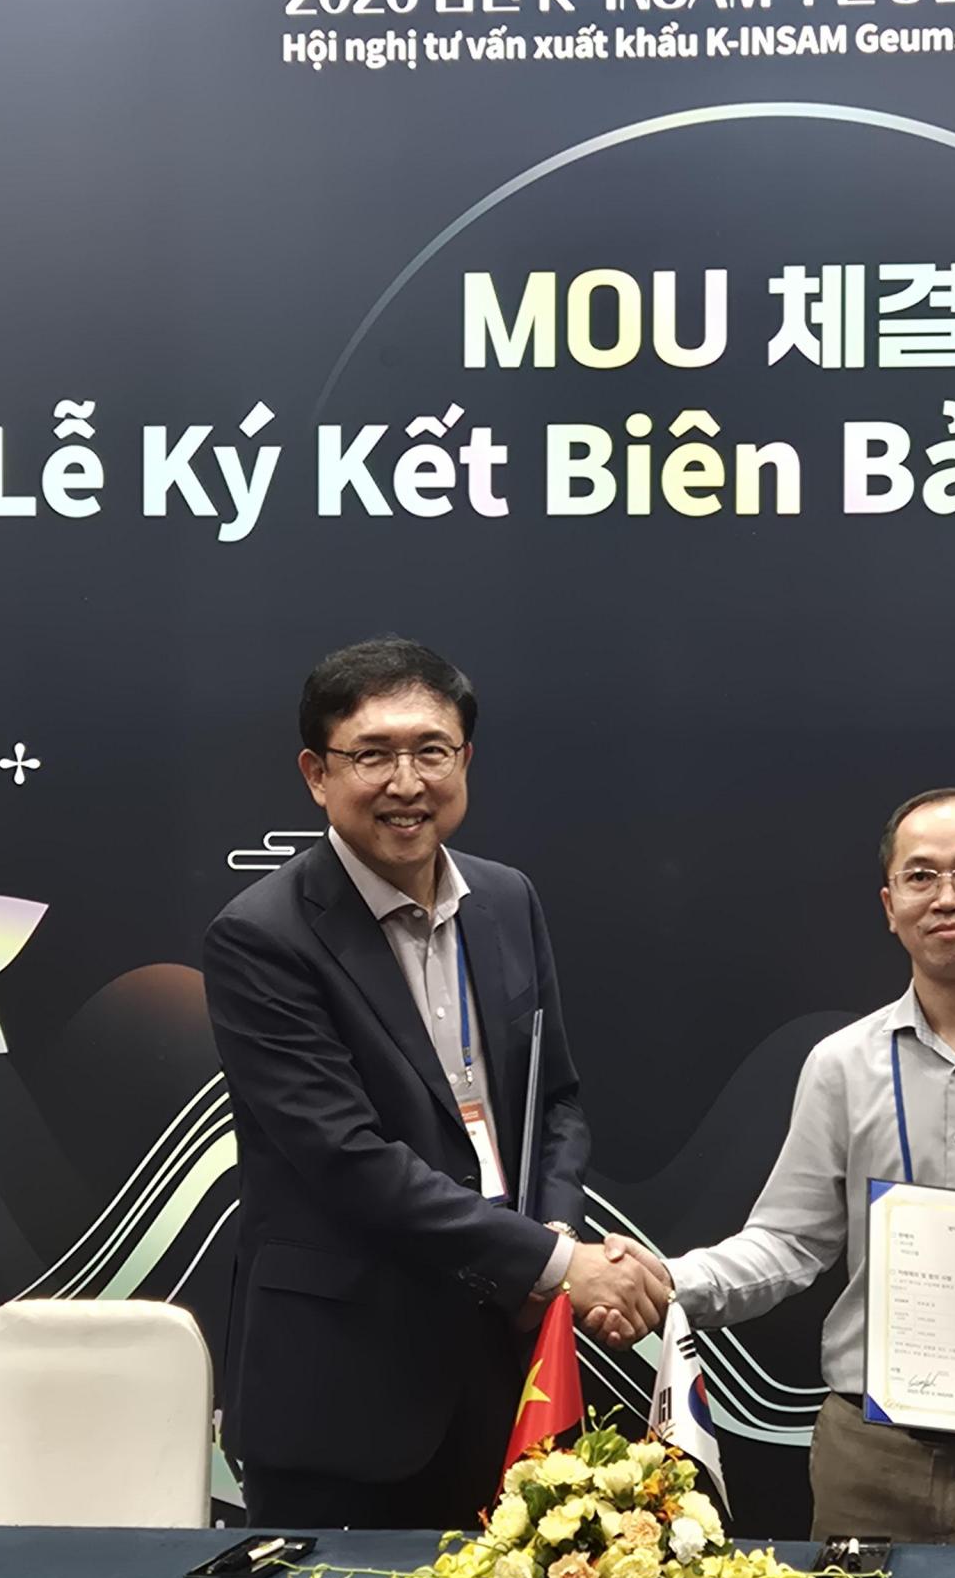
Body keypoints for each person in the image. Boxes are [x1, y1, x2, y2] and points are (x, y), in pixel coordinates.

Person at [203, 637, 669, 1530]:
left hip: (505, 1371)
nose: (406, 782)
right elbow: (347, 1161)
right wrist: (557, 1267)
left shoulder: (507, 900)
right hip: (345, 1397)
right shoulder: (262, 937)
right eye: (372, 755)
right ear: (316, 774)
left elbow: (555, 1100)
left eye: (431, 751)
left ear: (465, 760)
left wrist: (549, 1235)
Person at [647, 788, 955, 1546]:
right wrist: (665, 1282)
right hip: (867, 1458)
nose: (946, 896)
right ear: (890, 905)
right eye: (920, 876)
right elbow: (789, 1241)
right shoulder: (841, 1064)